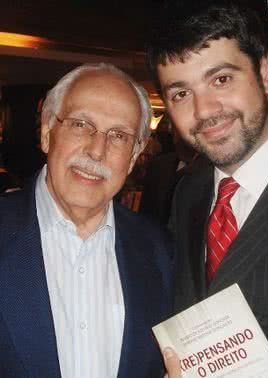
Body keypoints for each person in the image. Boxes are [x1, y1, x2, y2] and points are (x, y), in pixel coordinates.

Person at [147, 2, 268, 377]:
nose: (204, 110)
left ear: (265, 70)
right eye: (180, 93)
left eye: (221, 79)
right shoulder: (188, 193)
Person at [0, 63, 173, 377]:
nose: (97, 151)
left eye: (118, 136)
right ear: (46, 133)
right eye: (80, 124)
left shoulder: (160, 251)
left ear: (134, 157)